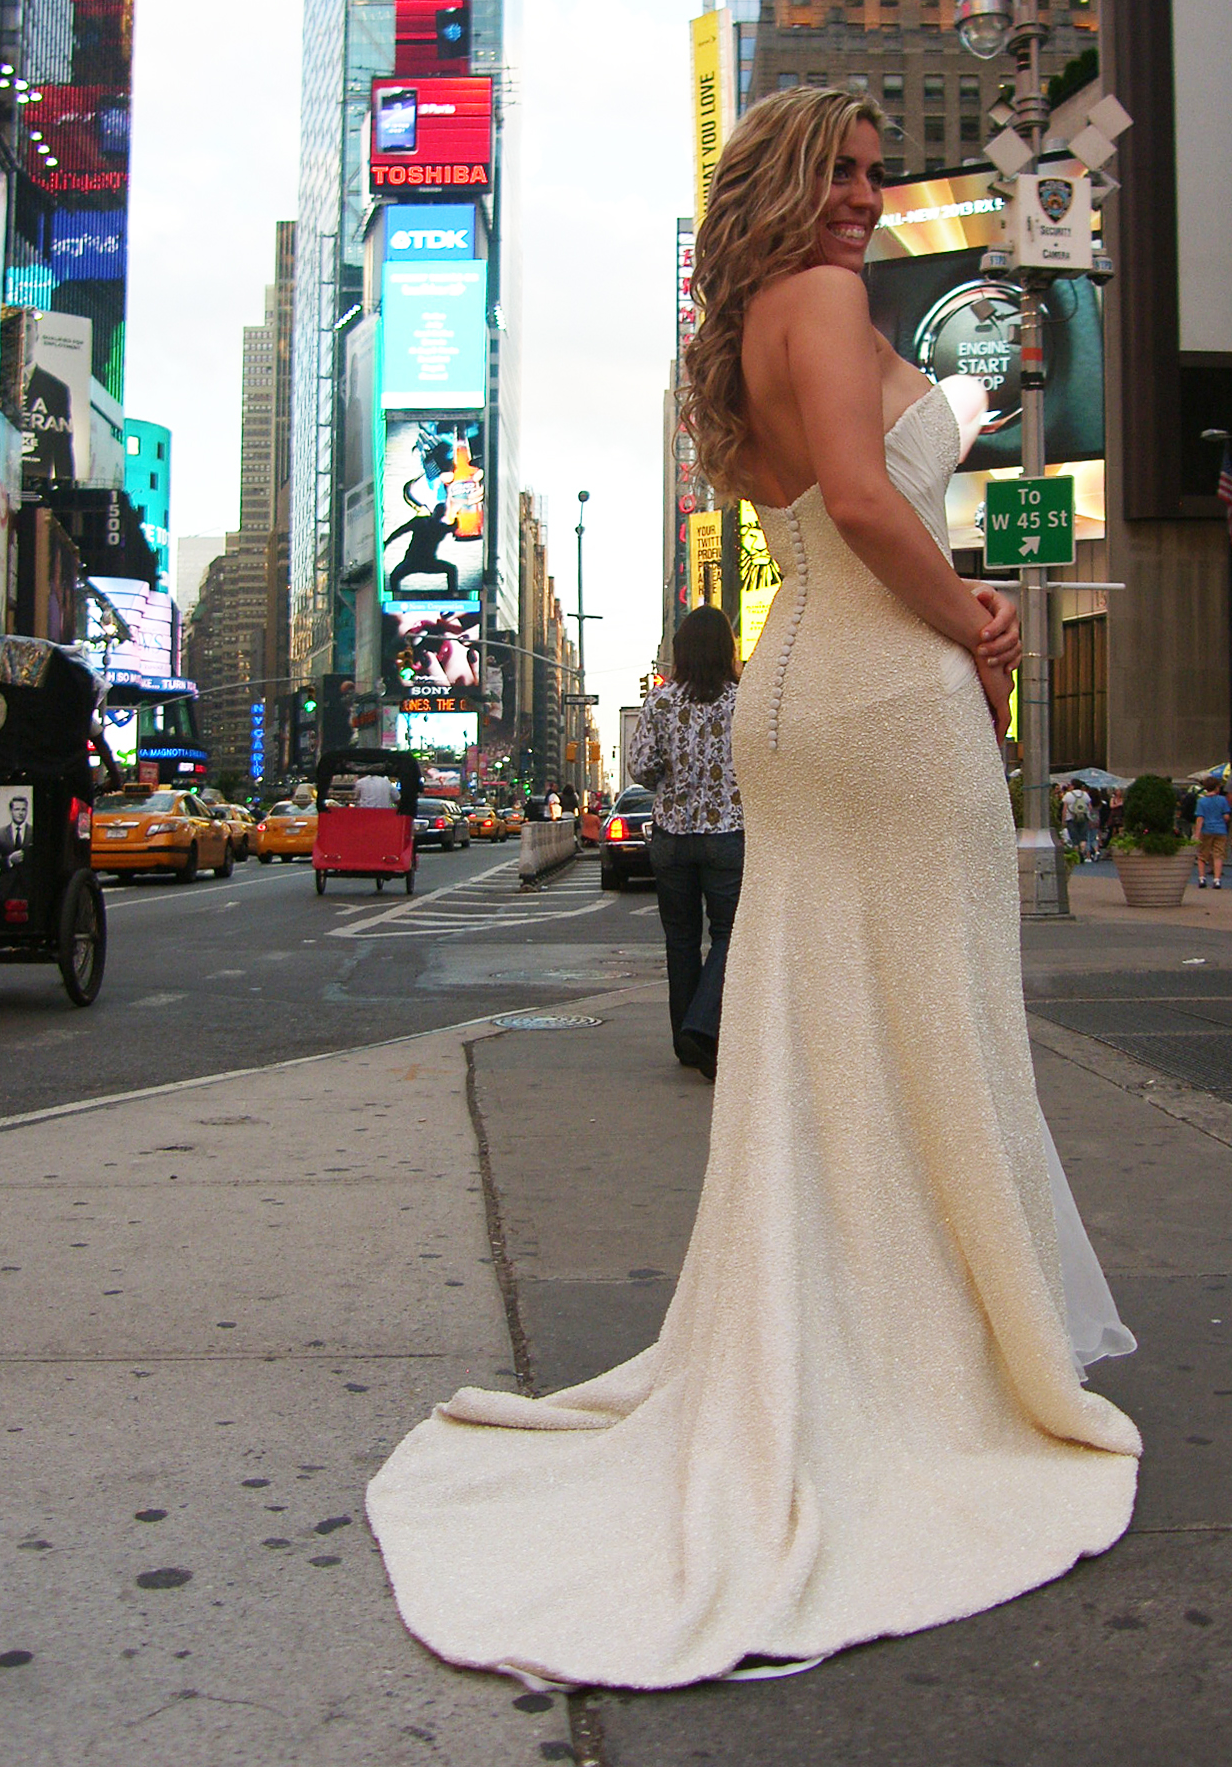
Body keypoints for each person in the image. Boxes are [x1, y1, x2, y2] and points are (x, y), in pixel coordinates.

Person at [367, 85, 1139, 1690]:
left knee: (823, 1037)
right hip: (876, 691)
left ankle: (852, 1336)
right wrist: (973, 622)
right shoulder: (826, 297)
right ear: (782, 183)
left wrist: (944, 602)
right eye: (838, 171)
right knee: (930, 1016)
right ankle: (935, 1356)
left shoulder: (732, 343)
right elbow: (863, 505)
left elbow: (827, 509)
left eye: (869, 173)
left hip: (806, 692)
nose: (861, 196)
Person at [628, 606, 745, 1081]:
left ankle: (686, 1039)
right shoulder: (744, 700)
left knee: (679, 940)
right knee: (729, 936)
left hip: (672, 836)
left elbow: (641, 767)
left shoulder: (660, 703)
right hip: (728, 835)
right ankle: (704, 1026)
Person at [0, 794, 32, 902]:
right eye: (17, 809)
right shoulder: (0, 834)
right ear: (11, 811)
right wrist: (9, 860)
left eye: (23, 809)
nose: (20, 813)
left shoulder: (34, 832)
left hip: (29, 888)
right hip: (6, 889)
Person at [1193, 775, 1231, 889]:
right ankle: (1217, 879)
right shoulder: (1222, 800)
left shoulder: (1201, 801)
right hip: (1220, 830)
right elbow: (1226, 816)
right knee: (1218, 855)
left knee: (1202, 855)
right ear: (1217, 788)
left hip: (1206, 830)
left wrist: (1197, 833)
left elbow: (1200, 818)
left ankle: (1201, 878)